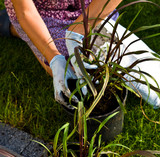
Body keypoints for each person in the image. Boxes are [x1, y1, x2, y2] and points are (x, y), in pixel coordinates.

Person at [0, 0, 160, 109]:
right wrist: (54, 58)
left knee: (152, 85)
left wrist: (80, 28)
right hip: (41, 11)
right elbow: (27, 12)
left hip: (88, 6)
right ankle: (16, 27)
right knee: (73, 77)